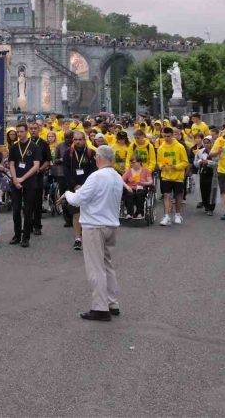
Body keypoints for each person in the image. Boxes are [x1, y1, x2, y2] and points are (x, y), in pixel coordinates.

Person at [59, 145, 123, 322]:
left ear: (99, 158)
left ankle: (100, 307)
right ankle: (112, 302)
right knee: (107, 264)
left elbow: (78, 199)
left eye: (96, 157)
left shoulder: (96, 176)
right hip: (110, 224)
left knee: (96, 267)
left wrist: (67, 193)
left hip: (95, 225)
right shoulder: (117, 176)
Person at [61, 130, 97, 251]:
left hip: (88, 187)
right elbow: (65, 170)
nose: (77, 142)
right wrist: (74, 185)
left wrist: (85, 186)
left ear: (84, 140)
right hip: (74, 187)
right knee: (76, 214)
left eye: (80, 139)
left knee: (89, 213)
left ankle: (89, 236)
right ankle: (77, 239)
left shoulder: (91, 153)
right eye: (75, 140)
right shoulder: (68, 153)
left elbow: (94, 171)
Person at [7, 123, 42, 248]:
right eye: (18, 132)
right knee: (16, 210)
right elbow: (11, 164)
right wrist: (15, 179)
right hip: (15, 182)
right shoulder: (14, 147)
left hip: (29, 182)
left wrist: (23, 178)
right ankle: (17, 234)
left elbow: (36, 165)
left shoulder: (35, 147)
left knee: (27, 211)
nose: (19, 134)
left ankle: (25, 237)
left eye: (21, 131)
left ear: (26, 131)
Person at [156, 127, 190, 226]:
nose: (166, 138)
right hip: (166, 176)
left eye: (169, 136)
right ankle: (166, 216)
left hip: (178, 176)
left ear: (172, 135)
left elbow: (185, 162)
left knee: (178, 196)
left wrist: (175, 167)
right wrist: (161, 166)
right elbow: (159, 161)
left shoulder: (180, 147)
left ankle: (178, 214)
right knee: (166, 195)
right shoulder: (161, 148)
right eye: (165, 136)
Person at [28, 121, 52, 235]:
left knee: (37, 203)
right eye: (31, 128)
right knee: (28, 203)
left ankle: (37, 226)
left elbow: (48, 160)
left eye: (35, 128)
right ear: (28, 130)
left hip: (38, 177)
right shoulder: (25, 143)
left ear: (39, 130)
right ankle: (28, 225)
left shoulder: (43, 143)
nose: (33, 130)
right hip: (26, 177)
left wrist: (39, 169)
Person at [193, 136, 219, 216]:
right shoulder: (200, 151)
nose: (206, 145)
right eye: (205, 143)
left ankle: (211, 208)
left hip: (213, 174)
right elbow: (195, 162)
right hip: (202, 173)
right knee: (203, 189)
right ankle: (206, 205)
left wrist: (208, 162)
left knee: (212, 191)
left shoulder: (215, 152)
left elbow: (218, 163)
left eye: (208, 143)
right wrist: (200, 162)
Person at [121, 155, 152, 219]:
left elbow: (150, 182)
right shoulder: (129, 171)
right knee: (129, 194)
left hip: (142, 187)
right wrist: (127, 187)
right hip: (131, 188)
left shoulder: (146, 170)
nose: (132, 164)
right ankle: (130, 213)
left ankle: (139, 212)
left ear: (139, 162)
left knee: (140, 194)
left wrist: (143, 183)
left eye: (134, 162)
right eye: (131, 163)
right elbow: (121, 180)